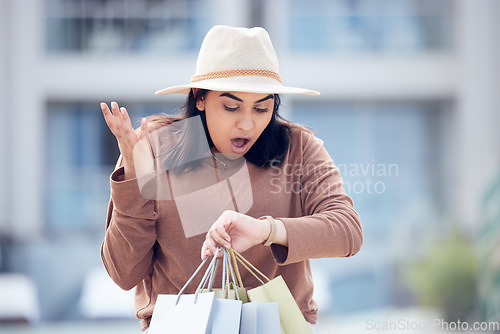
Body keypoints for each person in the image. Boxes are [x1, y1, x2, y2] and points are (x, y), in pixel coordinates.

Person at [100, 25, 362, 332]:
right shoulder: (154, 147)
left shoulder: (298, 148)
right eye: (231, 106)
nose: (248, 124)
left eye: (262, 108)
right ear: (200, 98)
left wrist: (267, 230)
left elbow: (348, 230)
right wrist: (133, 179)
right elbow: (124, 273)